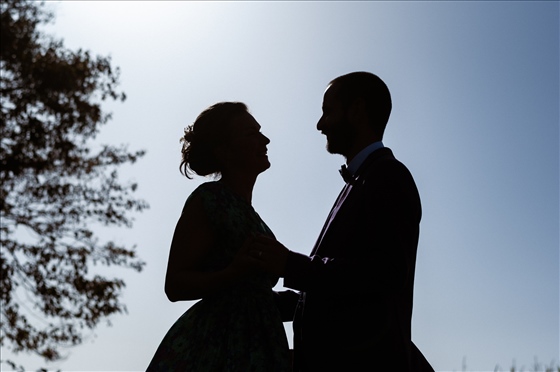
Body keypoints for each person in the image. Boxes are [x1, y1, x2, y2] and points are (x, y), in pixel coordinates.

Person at [248, 72, 434, 371]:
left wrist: (290, 265)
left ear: (357, 110)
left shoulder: (388, 177)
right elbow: (348, 295)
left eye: (328, 111)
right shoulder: (360, 181)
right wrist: (267, 304)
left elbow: (383, 275)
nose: (320, 124)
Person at [146, 102, 291, 371]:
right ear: (224, 151)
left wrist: (298, 303)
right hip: (215, 350)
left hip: (258, 348)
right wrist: (232, 273)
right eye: (251, 134)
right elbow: (175, 285)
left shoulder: (253, 218)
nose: (265, 139)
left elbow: (250, 296)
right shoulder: (208, 200)